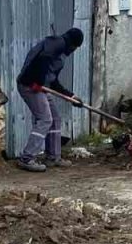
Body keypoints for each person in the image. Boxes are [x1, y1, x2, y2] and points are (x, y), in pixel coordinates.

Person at [15, 27, 85, 172]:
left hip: (41, 87)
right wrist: (37, 82)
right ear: (72, 44)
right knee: (45, 119)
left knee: (55, 118)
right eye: (75, 47)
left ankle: (53, 157)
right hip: (29, 85)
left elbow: (53, 82)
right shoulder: (56, 43)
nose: (74, 51)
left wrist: (71, 97)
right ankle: (26, 158)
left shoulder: (59, 56)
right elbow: (41, 60)